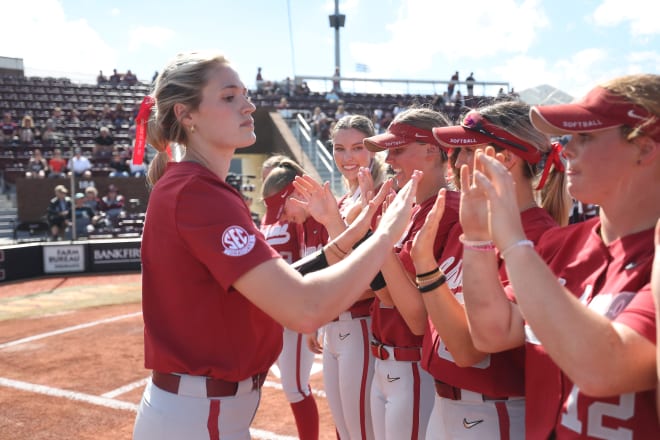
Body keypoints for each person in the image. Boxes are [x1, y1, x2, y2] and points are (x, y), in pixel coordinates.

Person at [131, 50, 420, 440]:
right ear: (187, 114)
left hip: (201, 412)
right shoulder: (198, 193)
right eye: (229, 96)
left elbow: (267, 285)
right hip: (202, 417)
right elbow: (304, 309)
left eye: (245, 94)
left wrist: (344, 241)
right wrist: (385, 234)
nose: (249, 106)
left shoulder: (193, 186)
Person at [460, 74, 660, 438]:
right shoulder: (561, 244)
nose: (566, 149)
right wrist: (475, 239)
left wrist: (513, 244)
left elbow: (605, 368)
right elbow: (492, 333)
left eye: (585, 137)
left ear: (645, 148)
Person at [387, 100, 567, 439]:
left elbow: (468, 350)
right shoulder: (469, 225)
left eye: (467, 150)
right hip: (447, 406)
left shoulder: (537, 238)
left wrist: (426, 267)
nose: (454, 161)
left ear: (506, 159)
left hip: (492, 412)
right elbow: (426, 324)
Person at [362, 107, 458, 440]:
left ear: (432, 150)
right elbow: (384, 293)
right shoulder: (410, 209)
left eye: (398, 150)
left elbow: (418, 319)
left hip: (414, 364)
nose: (388, 160)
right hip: (385, 360)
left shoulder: (449, 210)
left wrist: (379, 240)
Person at [297, 114, 388, 440]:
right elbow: (335, 267)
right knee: (344, 432)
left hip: (362, 324)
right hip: (336, 324)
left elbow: (371, 279)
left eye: (357, 148)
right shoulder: (343, 198)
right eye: (339, 148)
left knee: (361, 432)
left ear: (373, 149)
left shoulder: (378, 196)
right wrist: (320, 317)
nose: (347, 158)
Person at [260, 158, 323, 440]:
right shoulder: (269, 214)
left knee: (295, 386)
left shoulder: (300, 216)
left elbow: (312, 262)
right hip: (273, 312)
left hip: (296, 311)